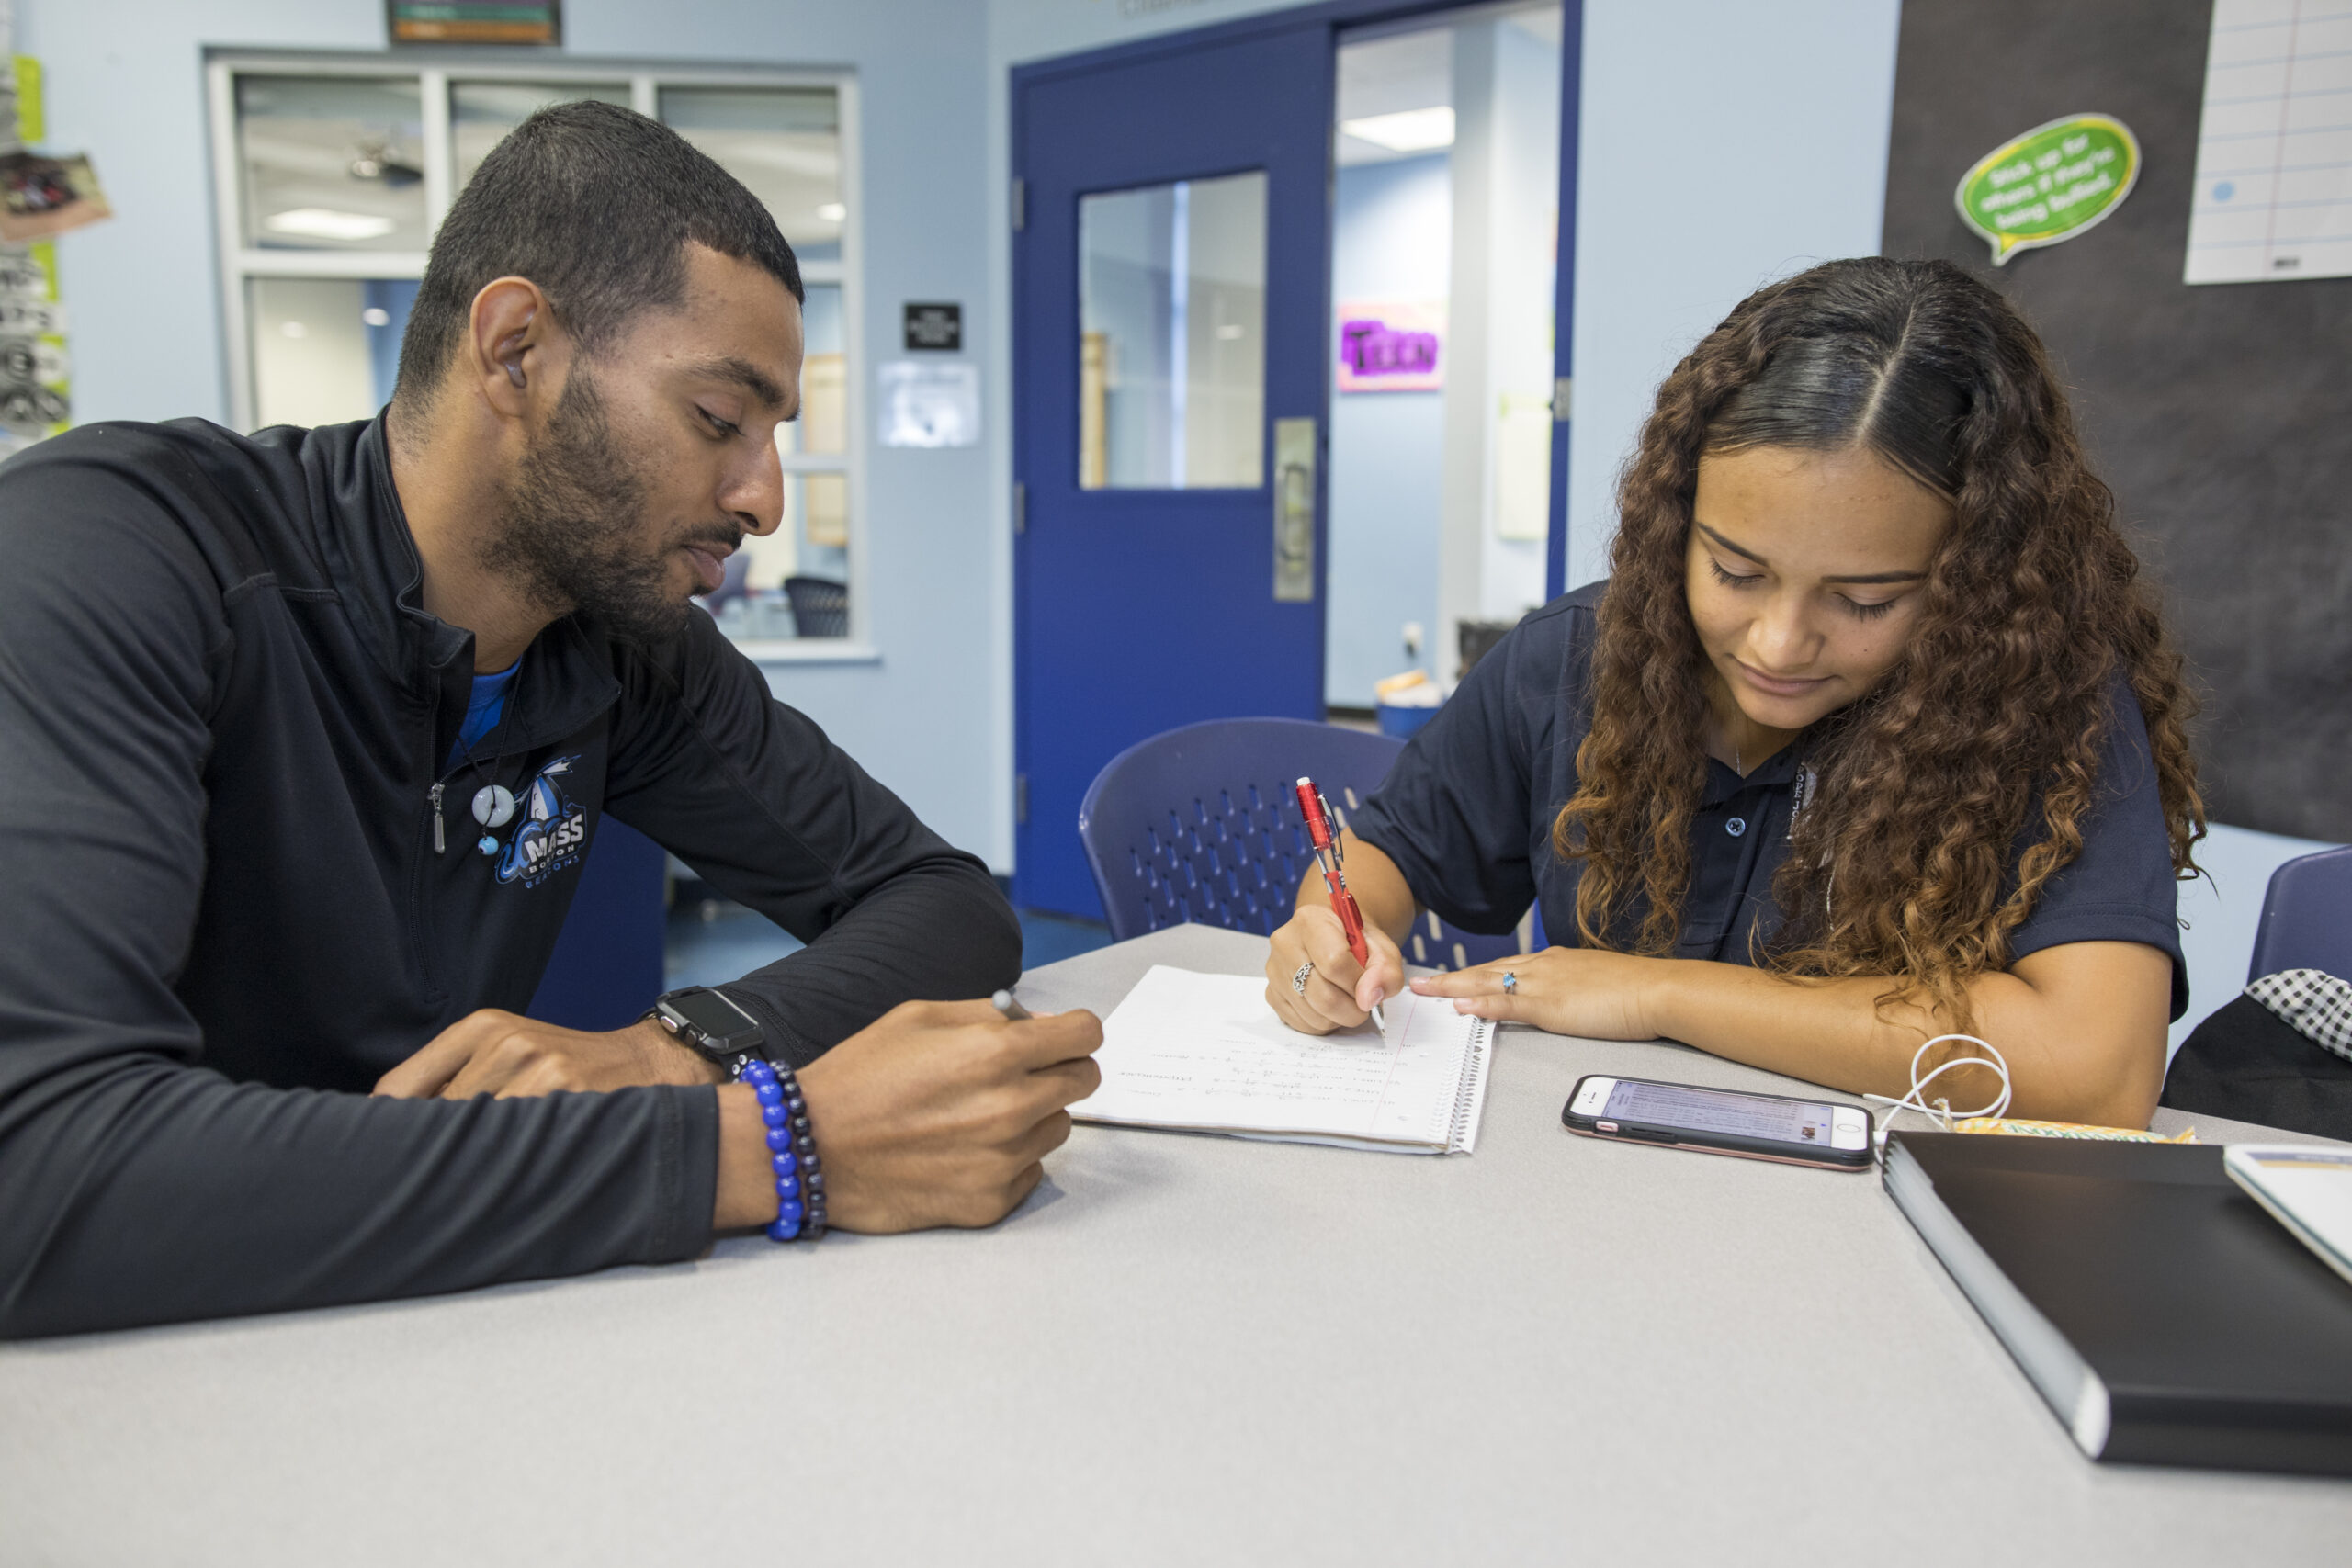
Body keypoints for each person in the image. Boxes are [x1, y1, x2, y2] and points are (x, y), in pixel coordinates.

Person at [0, 103, 1101, 1339]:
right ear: (516, 347)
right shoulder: (109, 552)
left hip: (447, 1315)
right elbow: (42, 1167)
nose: (763, 499)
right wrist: (758, 1148)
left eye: (776, 436)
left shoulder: (626, 646)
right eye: (718, 419)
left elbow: (947, 904)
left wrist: (682, 1044)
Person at [1269, 257, 2203, 1129]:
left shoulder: (2035, 704)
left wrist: (1656, 994)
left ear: (1974, 578)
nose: (1778, 644)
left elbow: (2100, 1071)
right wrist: (1328, 930)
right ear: (1673, 525)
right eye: (1735, 571)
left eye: (1864, 599)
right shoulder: (1575, 657)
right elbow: (1380, 856)